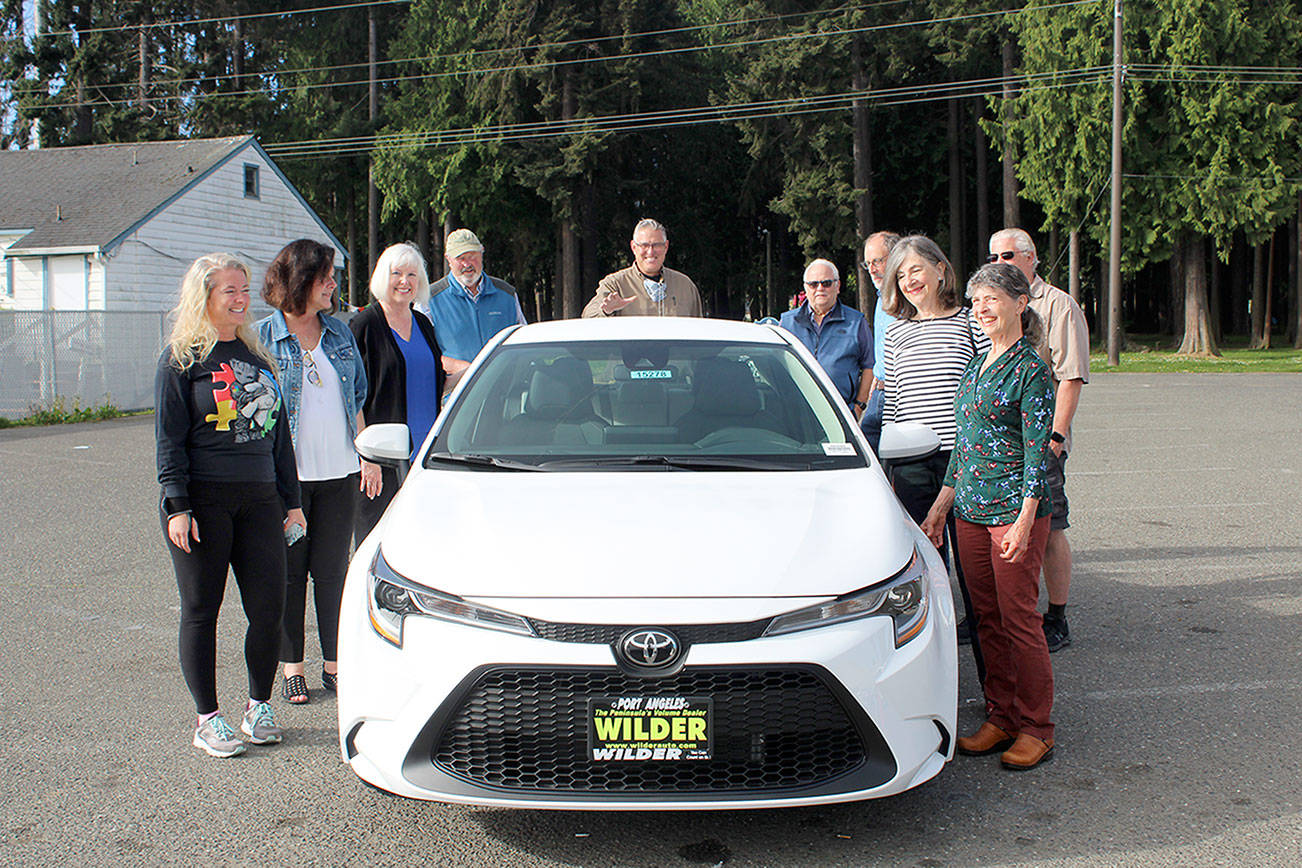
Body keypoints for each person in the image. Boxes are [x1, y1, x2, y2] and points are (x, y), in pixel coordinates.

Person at [155, 253, 304, 757]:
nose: (241, 300)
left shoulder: (257, 358)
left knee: (269, 609)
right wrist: (178, 504)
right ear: (206, 297)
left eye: (245, 290)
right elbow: (169, 440)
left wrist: (292, 501)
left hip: (261, 500)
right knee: (202, 609)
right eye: (230, 291)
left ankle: (258, 705)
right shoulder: (182, 360)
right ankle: (208, 718)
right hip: (203, 503)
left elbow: (279, 434)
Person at [920, 263, 1057, 770]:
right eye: (976, 302)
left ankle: (1036, 727)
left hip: (1011, 513)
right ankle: (1001, 716)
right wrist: (941, 507)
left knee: (1020, 620)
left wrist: (1025, 520)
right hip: (970, 514)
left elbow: (1037, 454)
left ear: (1020, 304)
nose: (981, 310)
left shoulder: (1030, 368)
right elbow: (963, 443)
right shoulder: (976, 363)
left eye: (991, 300)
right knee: (986, 621)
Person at [257, 240, 377, 704]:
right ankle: (293, 668)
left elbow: (357, 400)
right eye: (325, 276)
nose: (332, 285)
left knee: (332, 573)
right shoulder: (263, 338)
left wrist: (367, 455)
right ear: (300, 281)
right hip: (287, 482)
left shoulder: (340, 334)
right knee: (289, 575)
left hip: (340, 474)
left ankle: (334, 664)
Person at [880, 234, 991, 684]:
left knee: (974, 582)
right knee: (921, 579)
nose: (909, 281)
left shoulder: (969, 324)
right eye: (900, 274)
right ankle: (929, 684)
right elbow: (893, 406)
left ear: (941, 270)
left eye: (916, 270)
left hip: (959, 462)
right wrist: (886, 470)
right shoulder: (896, 331)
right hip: (907, 466)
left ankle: (994, 697)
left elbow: (984, 395)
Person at [988, 228, 1090, 652]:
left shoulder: (1058, 305)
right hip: (999, 446)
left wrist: (1056, 436)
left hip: (1040, 439)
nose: (999, 263)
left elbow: (1071, 376)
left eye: (1008, 254)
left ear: (1031, 259)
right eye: (993, 256)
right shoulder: (991, 305)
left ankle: (1058, 617)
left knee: (1049, 530)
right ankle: (1002, 614)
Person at [350, 242, 445, 541]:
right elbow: (351, 393)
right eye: (397, 273)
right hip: (381, 460)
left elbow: (436, 379)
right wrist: (368, 457)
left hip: (422, 458)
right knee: (377, 540)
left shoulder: (423, 324)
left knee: (419, 540)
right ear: (382, 277)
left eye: (412, 275)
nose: (405, 282)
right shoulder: (364, 325)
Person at [424, 228, 527, 395]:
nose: (467, 264)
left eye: (472, 256)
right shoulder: (428, 300)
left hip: (505, 397)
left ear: (482, 253)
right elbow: (424, 354)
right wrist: (468, 369)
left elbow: (523, 344)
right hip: (456, 401)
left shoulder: (507, 295)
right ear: (448, 260)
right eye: (460, 258)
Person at [779, 258, 873, 418]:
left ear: (838, 287)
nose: (820, 289)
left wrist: (859, 407)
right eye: (813, 284)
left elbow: (869, 366)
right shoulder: (787, 323)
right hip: (796, 414)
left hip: (841, 413)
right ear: (805, 288)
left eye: (827, 283)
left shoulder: (856, 322)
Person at [582, 218, 703, 318]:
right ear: (633, 247)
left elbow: (700, 332)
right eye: (644, 245)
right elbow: (588, 317)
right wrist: (606, 311)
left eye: (657, 245)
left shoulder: (685, 286)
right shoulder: (615, 284)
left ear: (666, 247)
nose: (650, 252)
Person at [860, 231, 901, 452]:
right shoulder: (880, 296)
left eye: (877, 261)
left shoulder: (906, 296)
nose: (872, 269)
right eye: (868, 264)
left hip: (898, 395)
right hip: (880, 391)